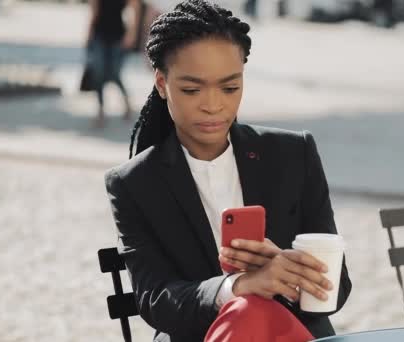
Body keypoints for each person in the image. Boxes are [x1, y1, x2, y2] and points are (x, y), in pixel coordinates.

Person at [104, 1, 352, 341]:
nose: (213, 105)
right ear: (162, 84)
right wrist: (237, 287)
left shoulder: (294, 154)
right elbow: (156, 299)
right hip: (200, 334)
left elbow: (337, 290)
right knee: (246, 310)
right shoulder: (134, 183)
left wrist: (290, 270)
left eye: (230, 87)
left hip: (290, 332)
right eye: (192, 90)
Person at [86, 0, 141, 128]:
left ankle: (126, 102)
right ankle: (100, 110)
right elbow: (94, 11)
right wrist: (88, 36)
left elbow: (135, 8)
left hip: (118, 36)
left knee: (114, 73)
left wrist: (132, 33)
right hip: (99, 35)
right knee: (98, 73)